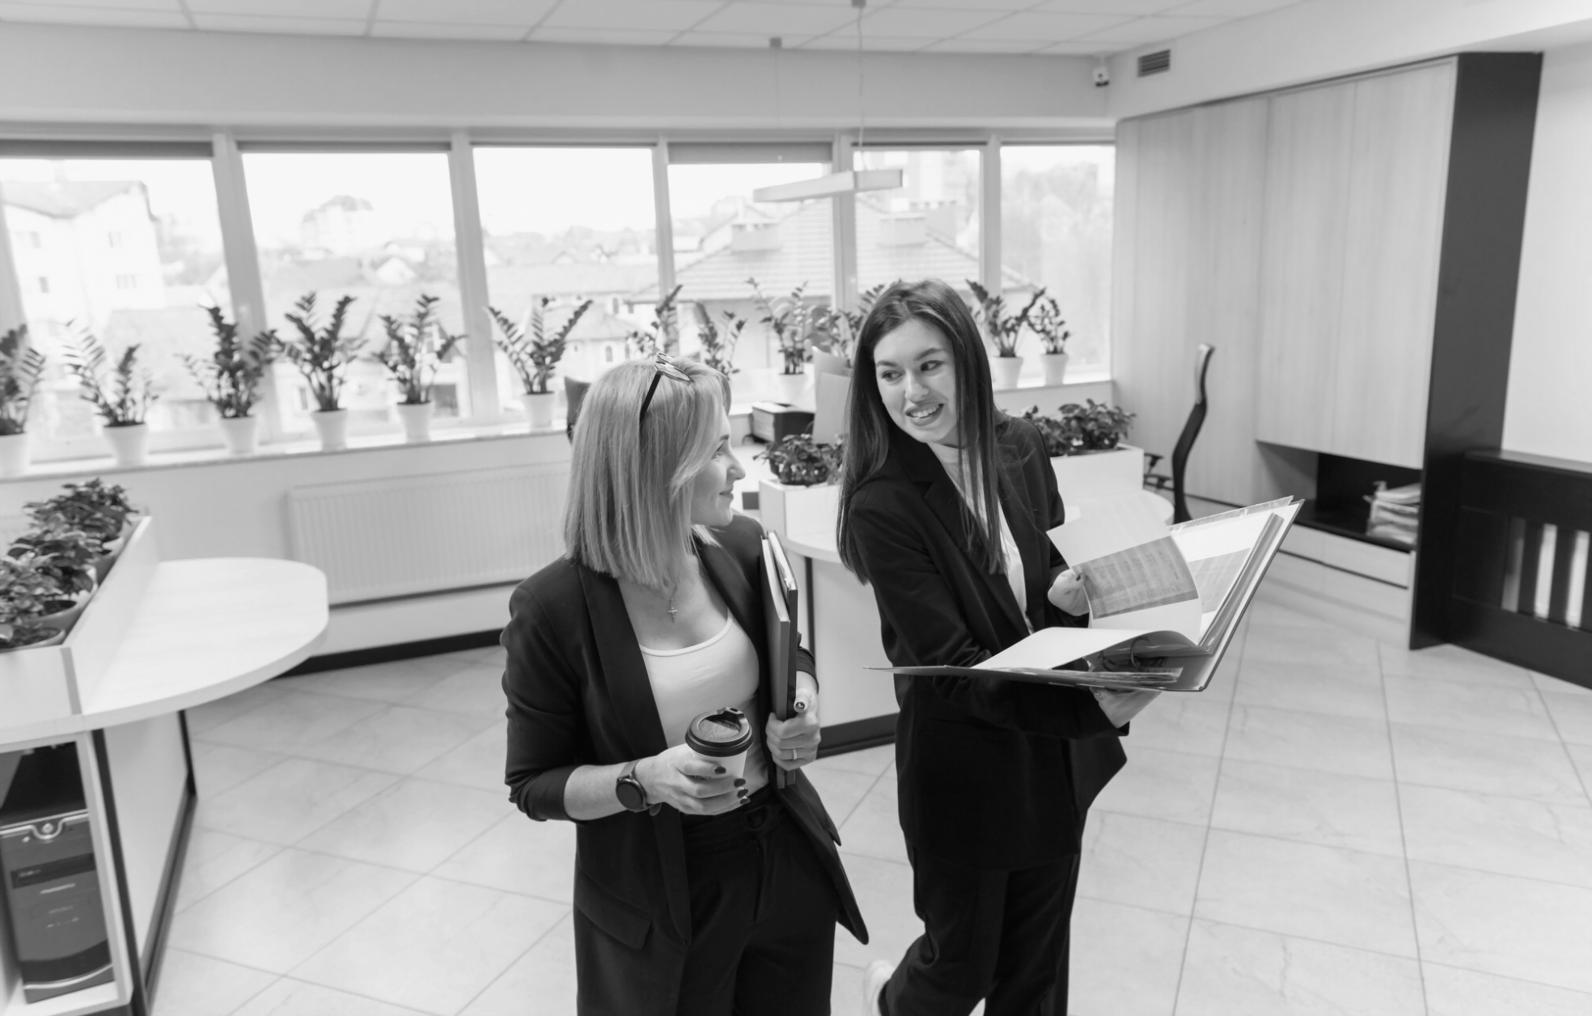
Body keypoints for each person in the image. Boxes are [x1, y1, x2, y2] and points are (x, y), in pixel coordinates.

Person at [503, 354, 868, 1016]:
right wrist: (645, 778)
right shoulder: (551, 609)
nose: (737, 470)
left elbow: (795, 653)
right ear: (656, 470)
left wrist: (804, 701)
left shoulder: (744, 547)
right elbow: (534, 785)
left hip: (782, 853)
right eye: (719, 450)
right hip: (662, 892)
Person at [835, 279, 1156, 1016]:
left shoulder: (1019, 445)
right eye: (889, 373)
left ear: (968, 363)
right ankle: (889, 1001)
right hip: (966, 768)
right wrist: (1094, 709)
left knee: (1037, 978)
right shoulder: (883, 503)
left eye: (929, 365)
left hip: (1048, 763)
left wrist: (1069, 598)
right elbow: (953, 667)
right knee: (961, 971)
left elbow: (1036, 596)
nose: (910, 392)